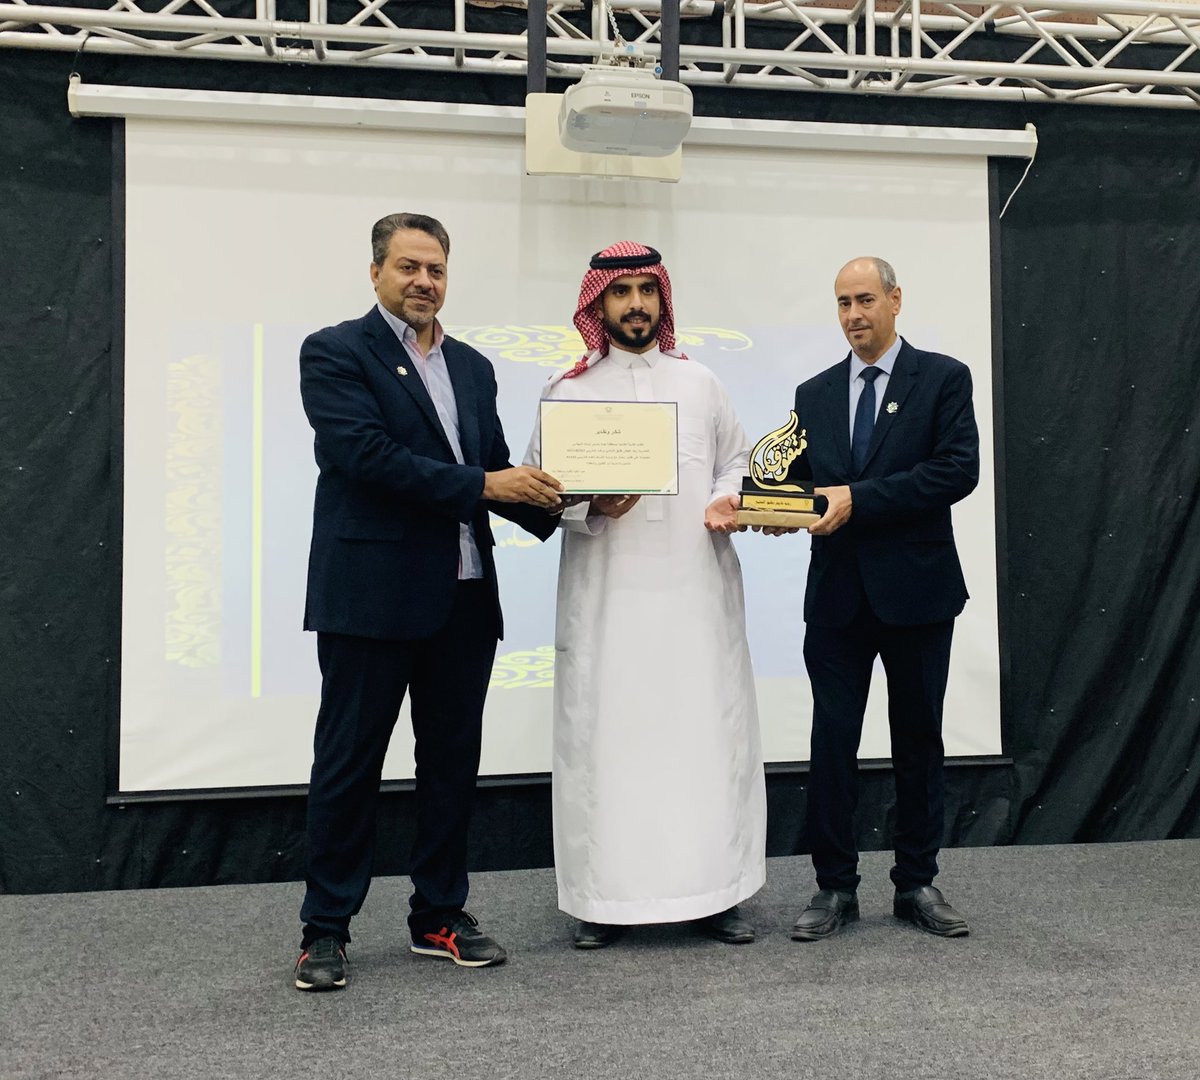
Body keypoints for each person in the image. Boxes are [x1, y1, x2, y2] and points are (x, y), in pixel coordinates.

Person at [293, 212, 563, 990]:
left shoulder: (472, 367)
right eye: (408, 267)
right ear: (376, 271)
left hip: (463, 599)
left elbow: (495, 469)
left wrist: (576, 501)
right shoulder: (335, 351)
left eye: (435, 270)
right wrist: (488, 484)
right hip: (369, 600)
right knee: (348, 767)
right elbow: (366, 457)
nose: (423, 282)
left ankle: (439, 915)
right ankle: (325, 930)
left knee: (450, 767)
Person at [525, 241, 766, 949]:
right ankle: (602, 901)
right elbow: (537, 488)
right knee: (607, 746)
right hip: (607, 606)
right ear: (597, 303)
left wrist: (727, 498)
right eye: (621, 292)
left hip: (695, 599)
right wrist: (589, 505)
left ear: (662, 298)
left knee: (703, 739)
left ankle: (715, 893)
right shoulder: (566, 390)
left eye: (646, 291)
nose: (635, 304)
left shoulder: (702, 383)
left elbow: (737, 461)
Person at [782, 256, 980, 941]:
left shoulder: (944, 378)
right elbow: (797, 483)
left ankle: (917, 883)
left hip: (918, 594)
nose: (853, 315)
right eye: (843, 303)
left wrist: (857, 499)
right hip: (837, 597)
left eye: (864, 299)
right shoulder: (812, 393)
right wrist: (761, 507)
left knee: (918, 740)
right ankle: (834, 887)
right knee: (832, 743)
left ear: (896, 300)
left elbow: (956, 471)